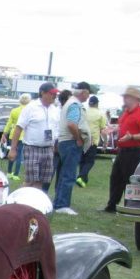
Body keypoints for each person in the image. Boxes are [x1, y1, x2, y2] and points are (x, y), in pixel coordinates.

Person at [105, 86, 140, 213]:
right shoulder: (126, 112)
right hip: (123, 150)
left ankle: (129, 207)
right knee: (116, 177)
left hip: (134, 150)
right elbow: (122, 125)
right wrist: (114, 128)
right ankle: (112, 205)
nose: (124, 99)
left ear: (134, 99)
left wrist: (132, 136)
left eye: (126, 97)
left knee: (129, 179)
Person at [8, 83, 60, 194]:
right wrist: (13, 149)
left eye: (55, 94)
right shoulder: (30, 108)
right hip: (32, 147)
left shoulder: (54, 109)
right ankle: (16, 200)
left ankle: (33, 205)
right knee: (30, 180)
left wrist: (55, 146)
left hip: (48, 149)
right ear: (43, 93)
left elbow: (56, 129)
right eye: (52, 94)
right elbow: (18, 128)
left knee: (41, 181)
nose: (54, 96)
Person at [51, 82, 92, 215]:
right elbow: (72, 124)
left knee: (63, 174)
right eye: (88, 93)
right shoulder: (75, 105)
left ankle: (57, 203)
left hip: (64, 141)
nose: (88, 96)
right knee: (69, 174)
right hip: (70, 142)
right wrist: (79, 138)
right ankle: (62, 204)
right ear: (83, 92)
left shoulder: (69, 102)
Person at [0, 94, 32, 181]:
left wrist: (4, 134)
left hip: (13, 134)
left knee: (12, 152)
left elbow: (9, 124)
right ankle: (16, 174)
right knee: (19, 155)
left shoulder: (14, 111)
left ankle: (9, 172)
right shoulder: (29, 111)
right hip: (23, 135)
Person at [77, 94, 106, 187]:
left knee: (82, 160)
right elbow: (103, 130)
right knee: (89, 161)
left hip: (82, 138)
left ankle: (82, 181)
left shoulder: (83, 111)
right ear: (97, 104)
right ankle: (81, 176)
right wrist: (105, 142)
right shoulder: (100, 114)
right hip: (93, 140)